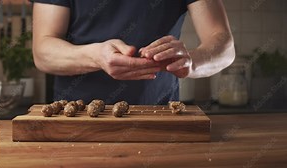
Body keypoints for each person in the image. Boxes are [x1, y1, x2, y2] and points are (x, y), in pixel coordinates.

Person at [30, 0, 235, 104]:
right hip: (76, 116)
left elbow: (223, 44)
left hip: (160, 120)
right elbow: (43, 51)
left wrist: (192, 61)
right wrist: (95, 57)